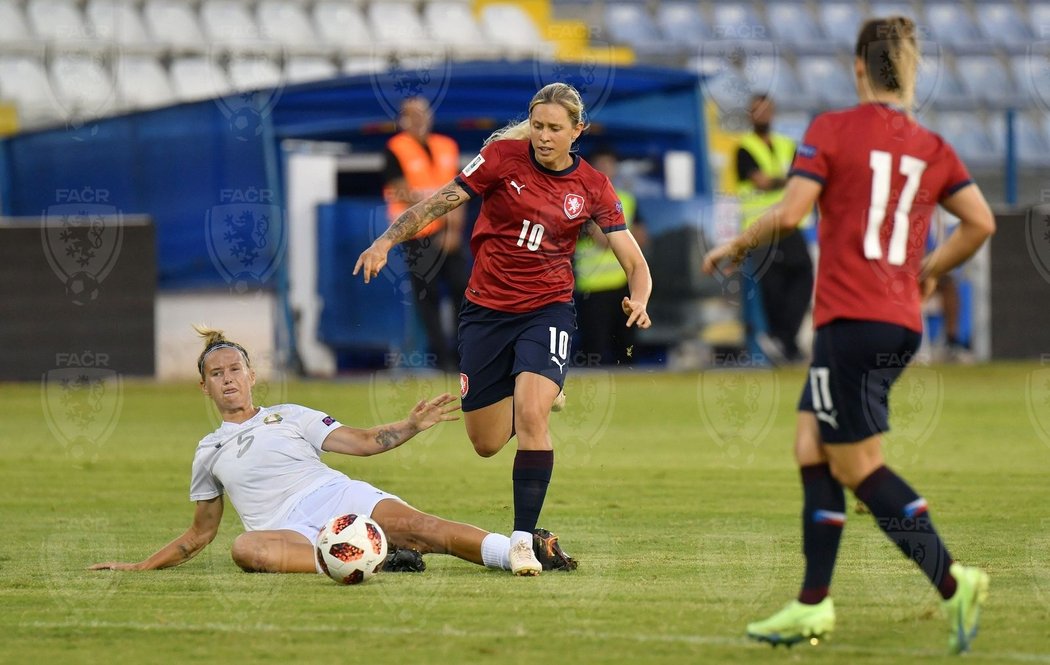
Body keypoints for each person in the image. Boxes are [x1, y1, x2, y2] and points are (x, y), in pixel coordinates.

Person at [702, 17, 995, 654]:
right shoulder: (931, 144)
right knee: (811, 443)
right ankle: (812, 605)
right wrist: (928, 269)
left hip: (850, 321)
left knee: (860, 468)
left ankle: (953, 582)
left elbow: (793, 210)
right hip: (899, 323)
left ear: (859, 68)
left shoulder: (832, 129)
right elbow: (980, 222)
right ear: (909, 70)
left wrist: (737, 241)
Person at [355, 83, 652, 576]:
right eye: (538, 126)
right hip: (486, 312)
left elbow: (634, 262)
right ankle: (538, 388)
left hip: (548, 310)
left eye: (555, 128)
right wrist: (386, 240)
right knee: (487, 442)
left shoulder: (594, 187)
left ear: (577, 131)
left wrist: (639, 299)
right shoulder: (500, 159)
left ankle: (521, 539)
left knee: (533, 419)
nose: (544, 136)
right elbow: (437, 203)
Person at [89, 326, 576, 576]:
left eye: (235, 369)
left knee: (428, 530)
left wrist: (409, 425)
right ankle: (378, 559)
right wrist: (140, 566)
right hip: (286, 532)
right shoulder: (208, 451)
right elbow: (201, 533)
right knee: (244, 548)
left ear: (251, 375)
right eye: (217, 375)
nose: (228, 379)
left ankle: (519, 551)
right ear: (204, 387)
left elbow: (363, 442)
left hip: (336, 496)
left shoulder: (290, 415)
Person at [384, 96, 470, 372]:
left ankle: (464, 354)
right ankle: (441, 358)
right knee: (428, 296)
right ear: (402, 119)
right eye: (411, 115)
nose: (418, 120)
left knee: (463, 289)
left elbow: (459, 189)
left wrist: (453, 228)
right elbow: (400, 191)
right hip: (417, 233)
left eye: (422, 113)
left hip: (447, 231)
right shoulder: (396, 148)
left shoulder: (446, 145)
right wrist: (437, 205)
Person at [735, 94, 813, 364]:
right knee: (774, 287)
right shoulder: (744, 148)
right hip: (762, 229)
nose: (763, 116)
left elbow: (800, 177)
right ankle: (782, 342)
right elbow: (762, 182)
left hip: (789, 224)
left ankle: (782, 340)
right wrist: (788, 180)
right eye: (758, 111)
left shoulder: (786, 144)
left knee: (802, 276)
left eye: (767, 110)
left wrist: (789, 181)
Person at [573, 147, 647, 366]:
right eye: (600, 165)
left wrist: (620, 236)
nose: (606, 170)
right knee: (594, 348)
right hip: (593, 287)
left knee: (626, 347)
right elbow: (604, 241)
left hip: (622, 284)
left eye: (609, 164)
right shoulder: (581, 202)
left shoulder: (626, 199)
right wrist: (625, 234)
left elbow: (643, 238)